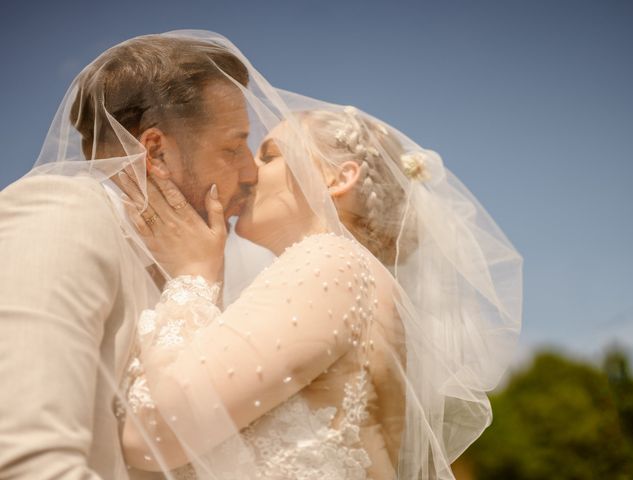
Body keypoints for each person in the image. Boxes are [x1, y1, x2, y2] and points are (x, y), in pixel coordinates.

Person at [118, 103, 523, 479]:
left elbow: (153, 432)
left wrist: (193, 276)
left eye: (269, 155)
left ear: (339, 178)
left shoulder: (331, 263)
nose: (248, 172)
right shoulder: (361, 279)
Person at [0, 32, 257, 479]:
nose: (251, 172)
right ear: (156, 151)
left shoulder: (185, 269)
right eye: (233, 148)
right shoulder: (63, 213)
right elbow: (27, 462)